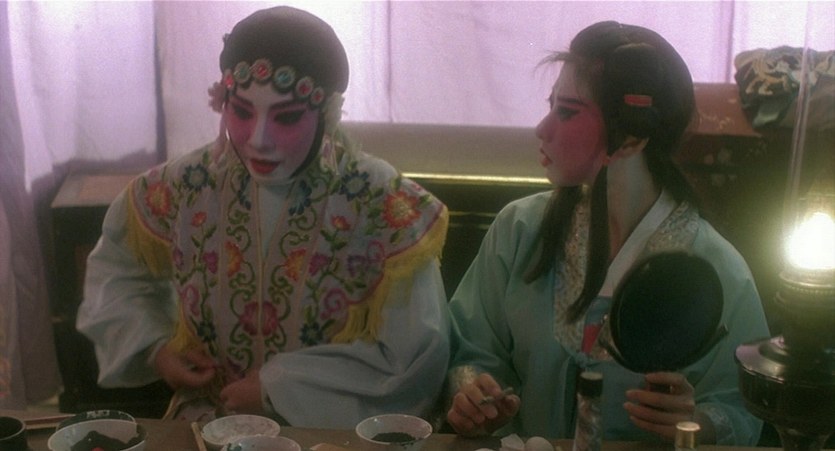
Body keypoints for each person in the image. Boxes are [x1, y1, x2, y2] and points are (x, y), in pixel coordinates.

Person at [77, 6, 450, 428]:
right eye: (241, 112)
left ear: (327, 114)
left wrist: (282, 387)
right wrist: (157, 347)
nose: (258, 139)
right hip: (208, 424)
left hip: (325, 432)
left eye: (286, 117)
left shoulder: (377, 199)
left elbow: (415, 355)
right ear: (222, 102)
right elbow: (116, 270)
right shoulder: (187, 185)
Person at [445, 21, 769, 445]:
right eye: (550, 106)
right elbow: (471, 348)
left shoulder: (716, 267)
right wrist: (473, 395)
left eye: (567, 111)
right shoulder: (519, 230)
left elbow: (741, 406)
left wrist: (695, 422)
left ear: (632, 137)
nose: (543, 129)